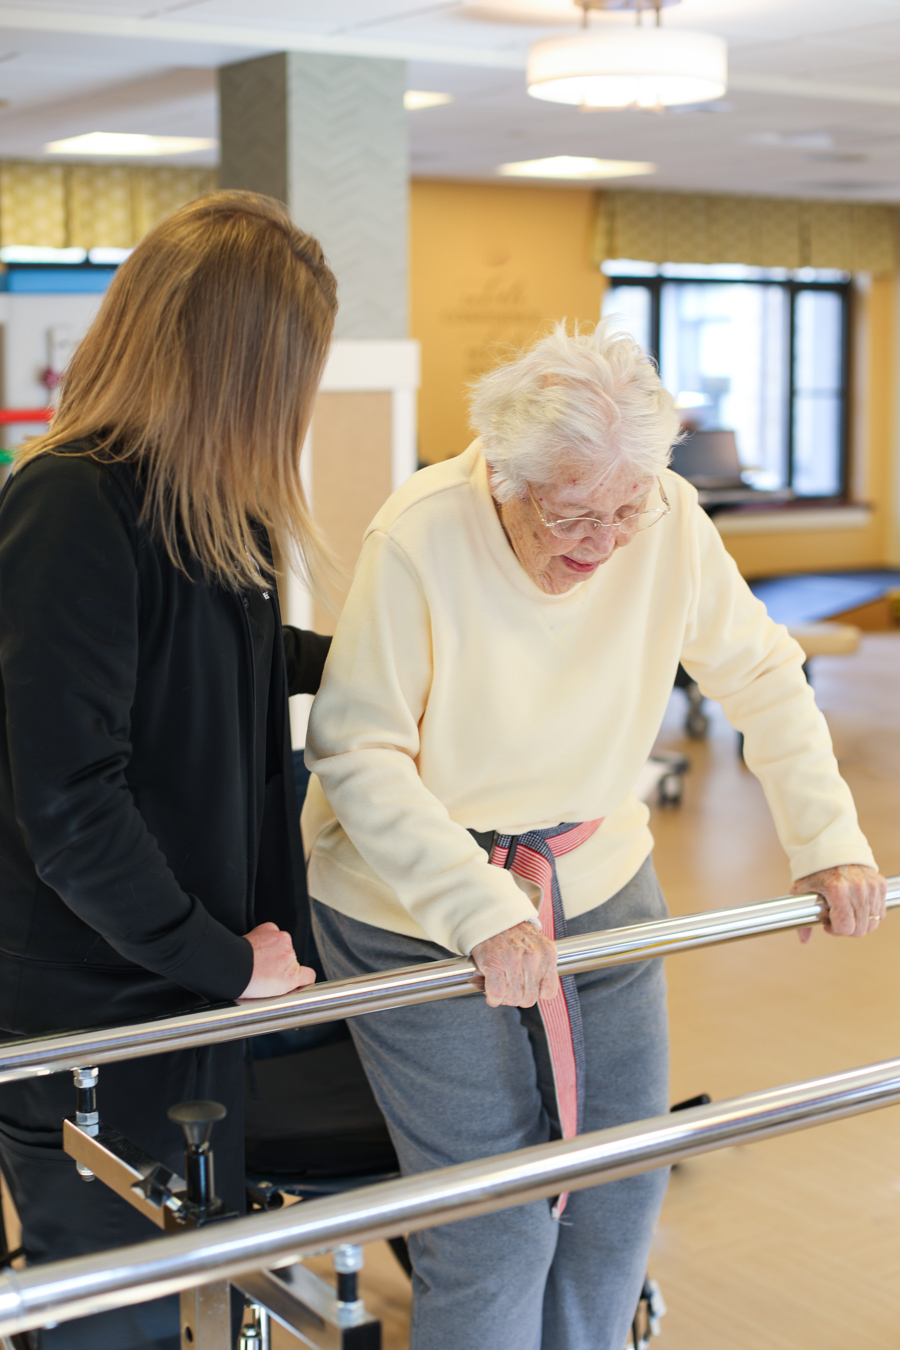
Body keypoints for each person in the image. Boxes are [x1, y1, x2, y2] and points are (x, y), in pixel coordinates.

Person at [302, 323, 887, 1350]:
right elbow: (357, 754)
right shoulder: (423, 533)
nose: (603, 542)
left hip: (597, 869)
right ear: (503, 478)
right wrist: (482, 911)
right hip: (415, 899)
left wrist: (827, 838)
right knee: (496, 1226)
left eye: (627, 510)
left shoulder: (665, 516)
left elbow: (760, 674)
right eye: (572, 514)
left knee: (622, 1185)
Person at [0, 191, 336, 1350]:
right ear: (237, 370)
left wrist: (394, 676)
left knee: (180, 1279)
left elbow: (230, 672)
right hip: (96, 1003)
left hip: (194, 987)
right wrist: (220, 961)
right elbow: (69, 802)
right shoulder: (70, 503)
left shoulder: (210, 512)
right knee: (110, 1315)